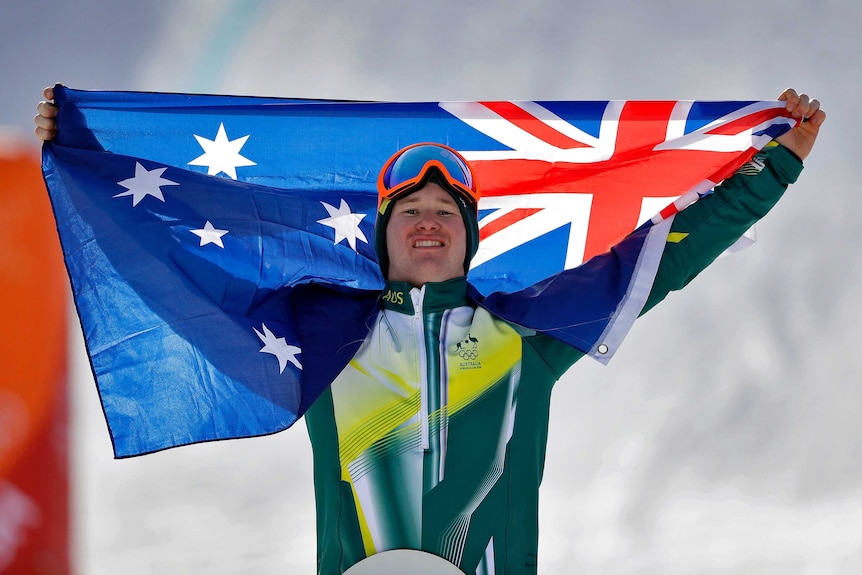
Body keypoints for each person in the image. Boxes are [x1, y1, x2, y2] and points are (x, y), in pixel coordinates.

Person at [35, 87, 825, 575]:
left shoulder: (527, 333)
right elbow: (175, 270)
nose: (428, 223)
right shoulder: (320, 337)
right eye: (410, 212)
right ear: (382, 236)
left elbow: (669, 252)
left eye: (446, 213)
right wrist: (81, 155)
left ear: (469, 238)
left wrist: (775, 165)